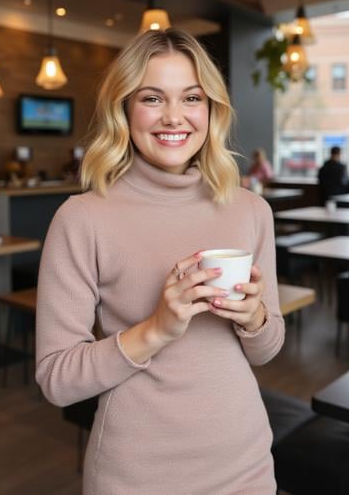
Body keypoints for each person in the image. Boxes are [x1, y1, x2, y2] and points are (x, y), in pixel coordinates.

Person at [36, 28, 285, 494]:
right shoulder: (83, 218)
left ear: (211, 110)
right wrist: (156, 329)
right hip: (135, 475)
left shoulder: (251, 210)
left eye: (191, 97)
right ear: (124, 109)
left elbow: (267, 350)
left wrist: (255, 318)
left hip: (246, 463)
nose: (175, 117)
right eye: (153, 98)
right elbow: (57, 379)